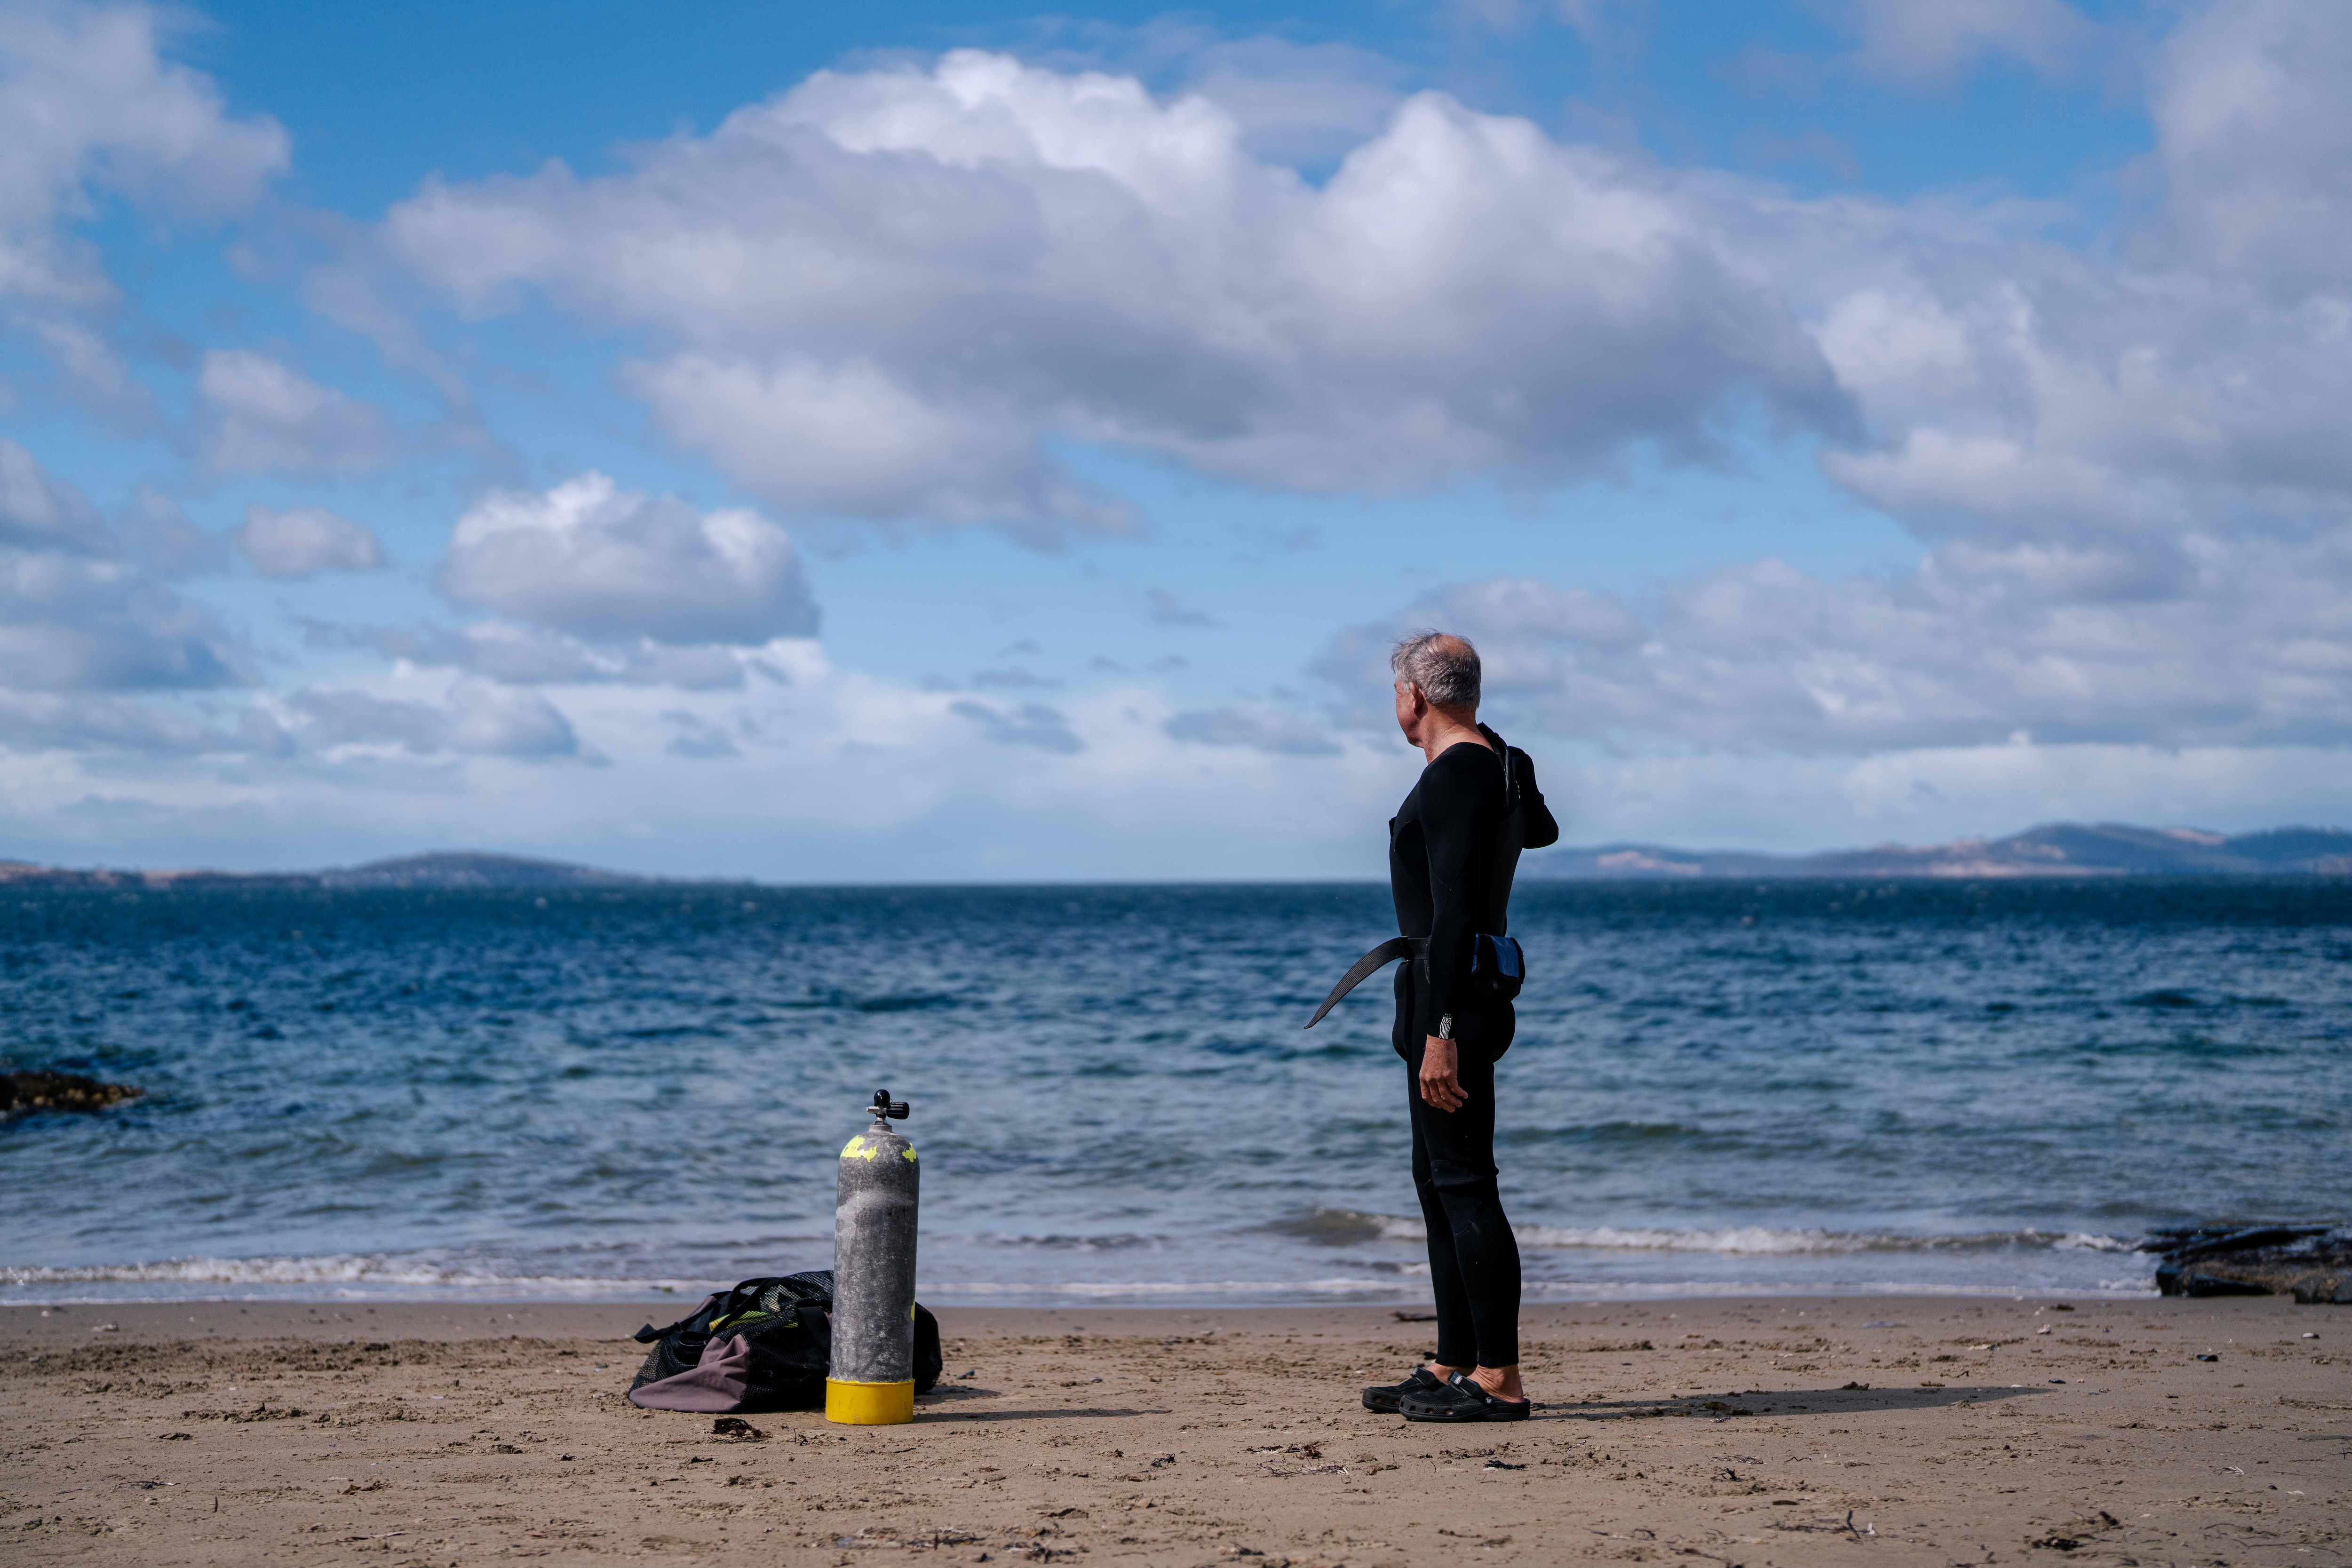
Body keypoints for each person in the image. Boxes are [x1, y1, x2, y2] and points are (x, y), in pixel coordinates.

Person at [1356, 632, 1557, 1423]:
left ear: (1415, 697)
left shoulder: (1453, 777)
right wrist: (1502, 748)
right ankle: (1454, 1359)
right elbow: (1539, 830)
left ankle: (1500, 1377)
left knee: (1466, 1184)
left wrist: (1440, 1032)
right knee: (1436, 1182)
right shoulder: (1495, 767)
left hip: (1454, 998)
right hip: (1457, 992)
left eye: (1394, 692)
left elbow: (1453, 916)